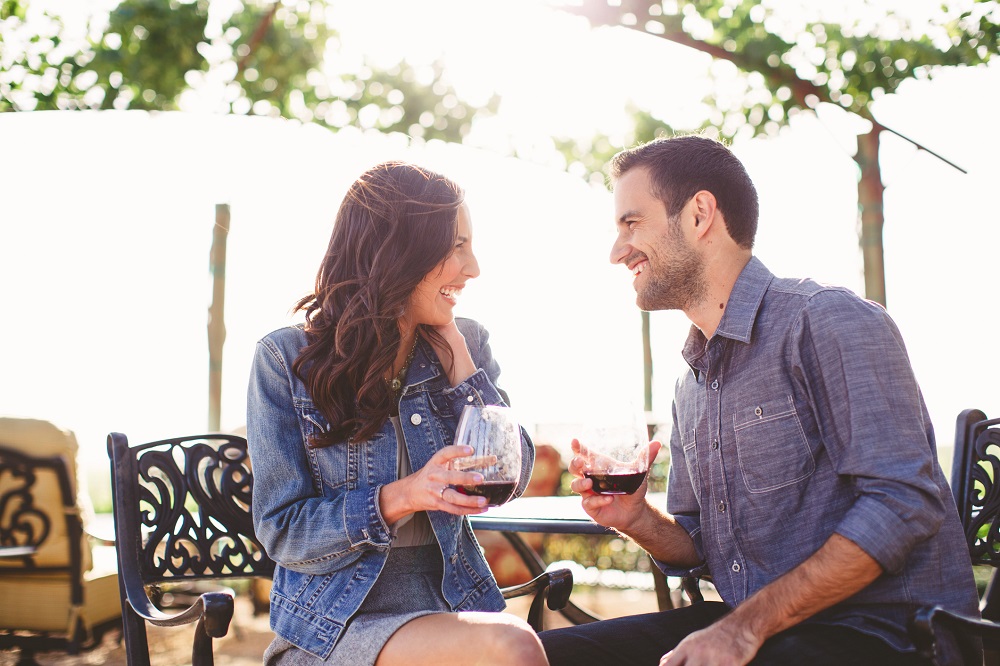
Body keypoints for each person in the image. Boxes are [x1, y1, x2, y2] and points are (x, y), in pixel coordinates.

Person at [538, 135, 979, 666]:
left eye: (631, 224)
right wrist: (636, 518)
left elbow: (904, 504)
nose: (616, 251)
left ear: (700, 214)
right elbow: (698, 546)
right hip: (760, 627)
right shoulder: (692, 384)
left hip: (890, 635)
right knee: (533, 655)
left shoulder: (826, 321)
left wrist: (744, 627)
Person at [246, 161, 547, 666]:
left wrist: (457, 356)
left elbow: (511, 475)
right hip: (334, 627)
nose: (473, 268)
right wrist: (402, 496)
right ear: (400, 250)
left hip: (449, 604)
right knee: (513, 646)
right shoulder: (285, 360)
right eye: (457, 246)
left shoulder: (466, 341)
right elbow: (282, 529)